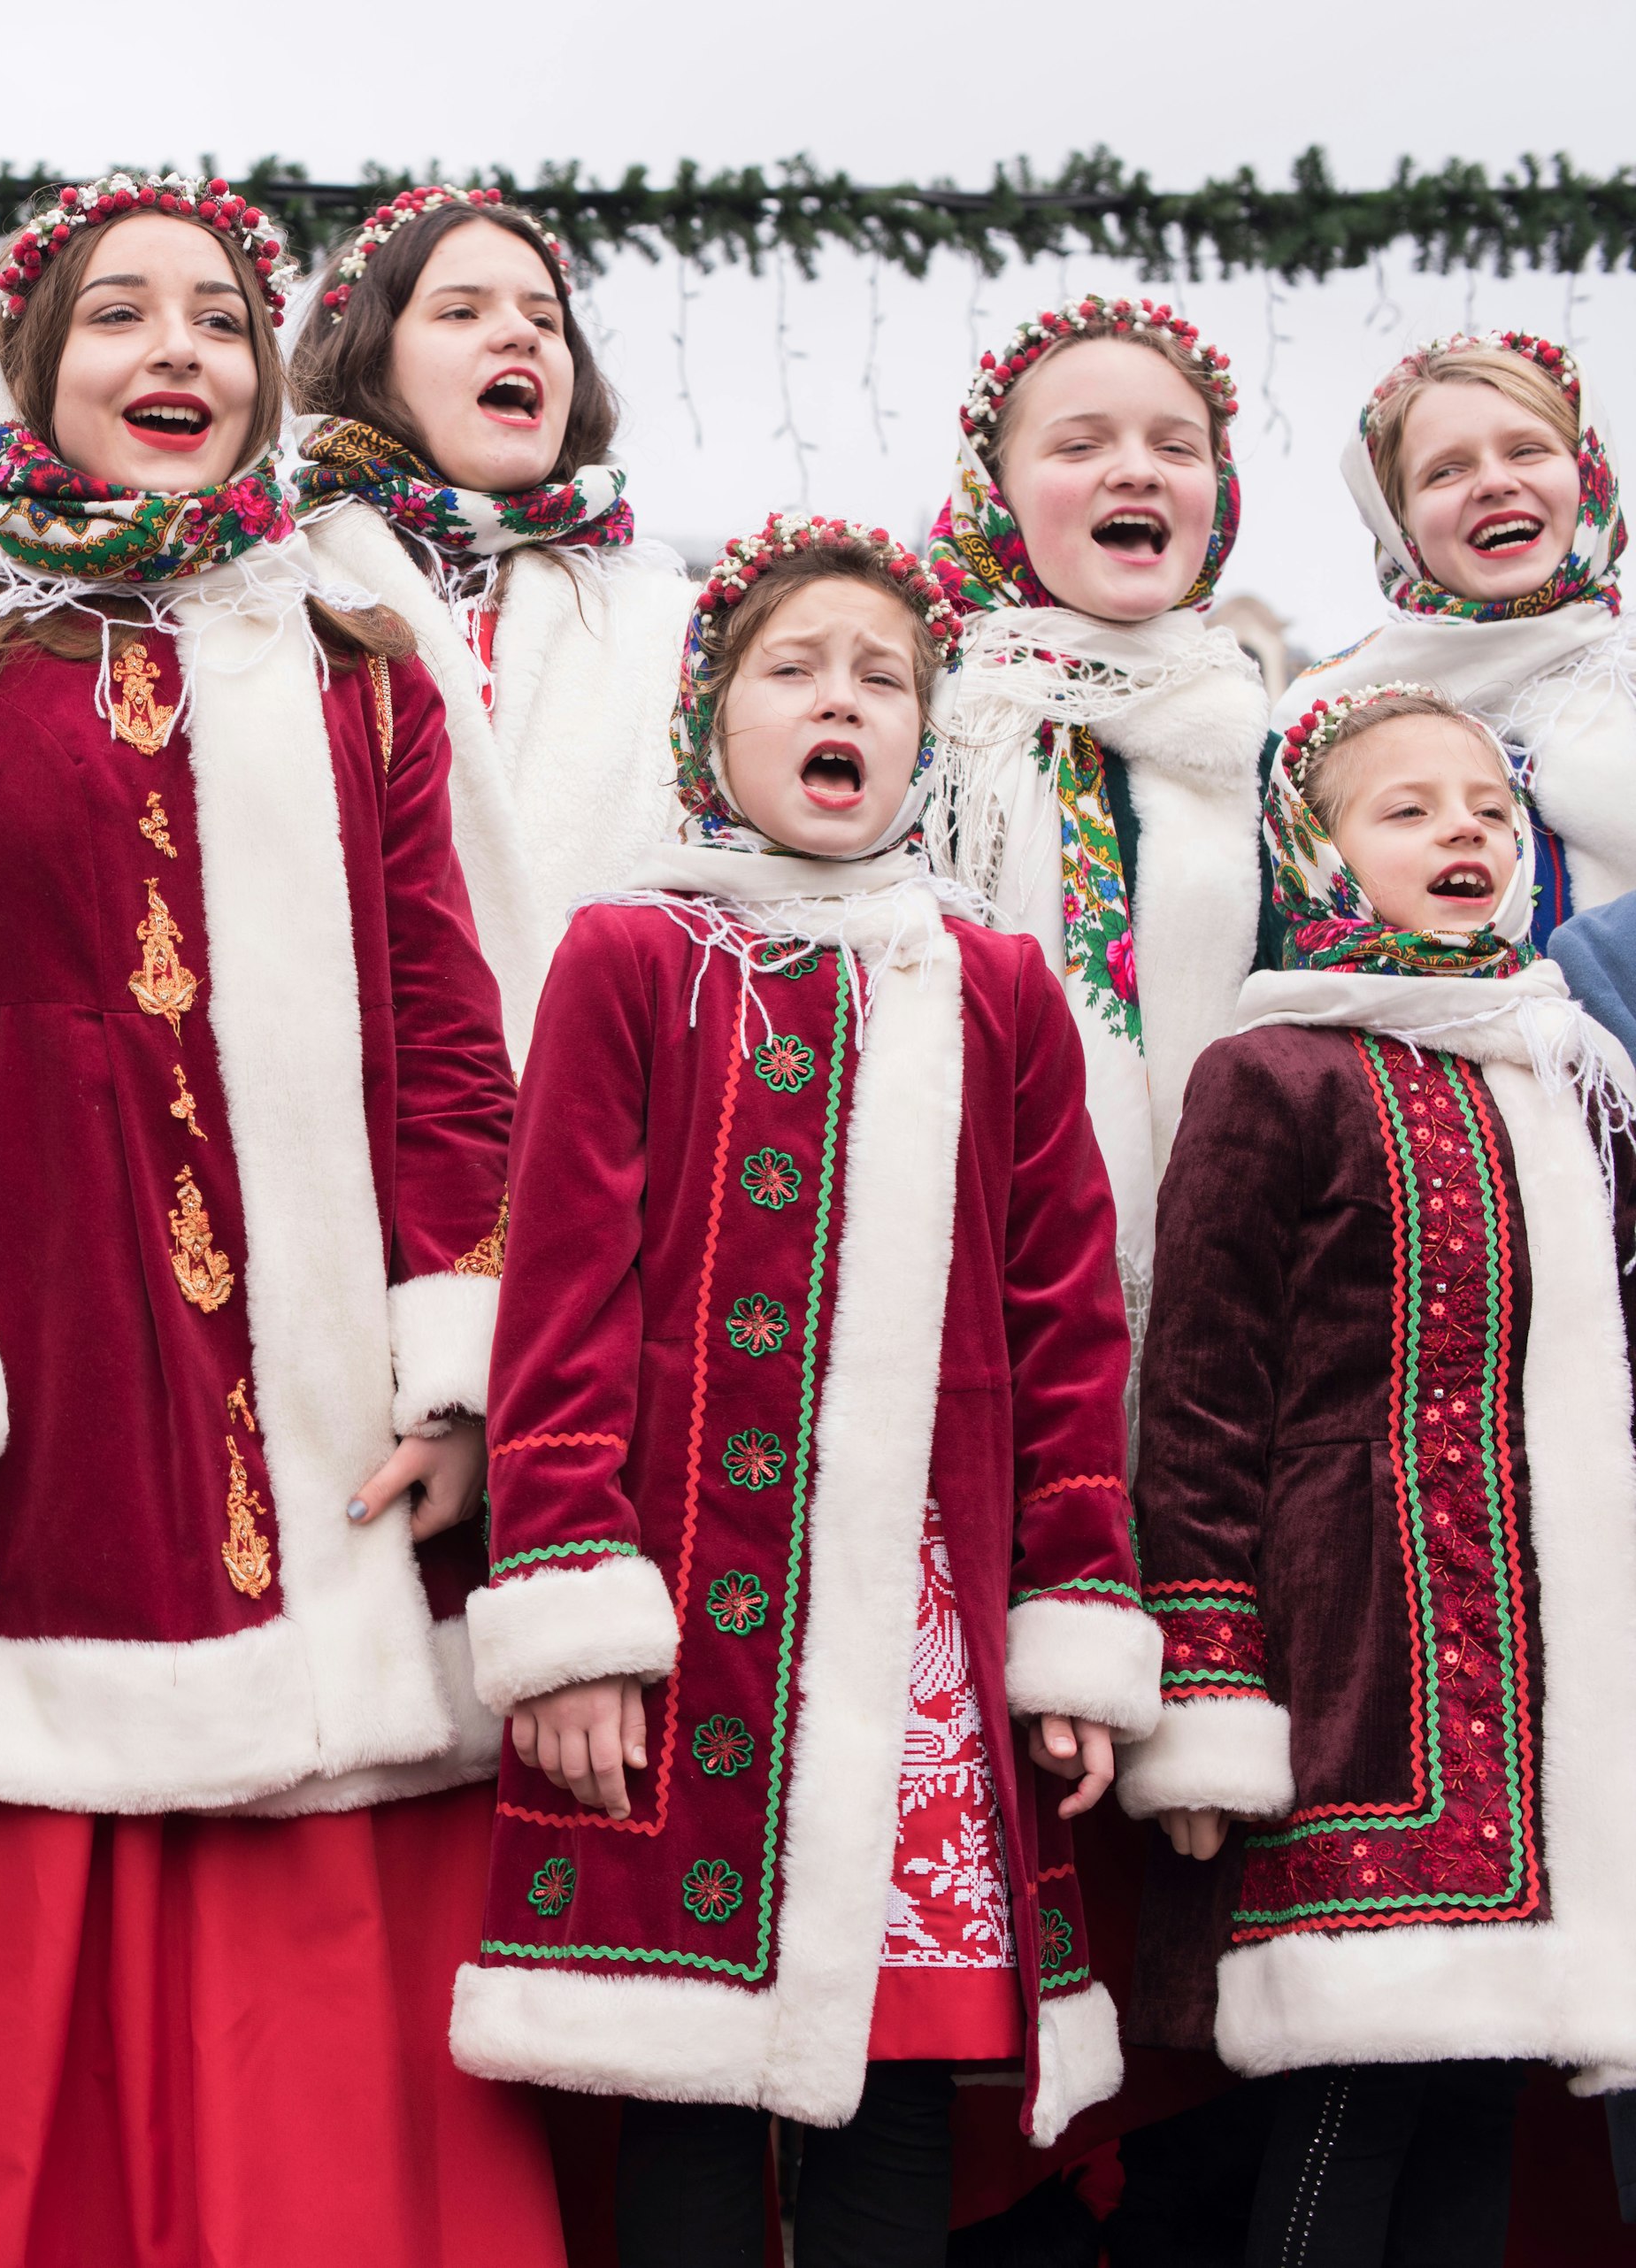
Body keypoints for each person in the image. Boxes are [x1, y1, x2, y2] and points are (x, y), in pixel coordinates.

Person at [0, 171, 558, 2266]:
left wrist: (463, 1370)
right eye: (118, 317)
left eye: (216, 320)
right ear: (36, 370)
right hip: (44, 1411)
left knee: (318, 2006)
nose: (174, 357)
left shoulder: (353, 664)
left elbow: (443, 1038)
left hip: (325, 1435)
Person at [451, 515, 1155, 2265]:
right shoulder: (635, 952)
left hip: (922, 1635)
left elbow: (1066, 1323)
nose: (842, 701)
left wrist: (1070, 1605)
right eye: (794, 668)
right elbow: (559, 1300)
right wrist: (575, 1617)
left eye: (884, 677)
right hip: (697, 1619)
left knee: (897, 2090)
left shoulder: (995, 982)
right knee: (691, 2084)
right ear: (711, 725)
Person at [1120, 680, 1636, 2265]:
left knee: (1478, 2092)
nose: (1461, 832)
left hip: (1546, 1690)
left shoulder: (1569, 1071)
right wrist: (1209, 1680)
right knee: (1359, 2086)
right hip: (1360, 1667)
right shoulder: (1274, 1066)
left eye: (1486, 807)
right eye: (1406, 810)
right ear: (1318, 852)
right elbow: (1199, 1399)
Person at [924, 297, 1271, 1343]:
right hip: (965, 1271)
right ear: (994, 491)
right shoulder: (931, 720)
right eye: (1081, 445)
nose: (1138, 469)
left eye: (1178, 445)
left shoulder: (1266, 752)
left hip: (1227, 1304)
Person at [288, 185, 695, 1056]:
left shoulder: (674, 620)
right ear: (369, 354)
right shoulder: (271, 589)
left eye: (545, 320)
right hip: (370, 1112)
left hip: (604, 1136)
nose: (519, 334)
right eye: (461, 310)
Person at [1285, 333, 1630, 944]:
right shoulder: (1323, 721)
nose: (1495, 482)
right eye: (1446, 470)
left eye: (1527, 450)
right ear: (1399, 523)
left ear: (1588, 474)